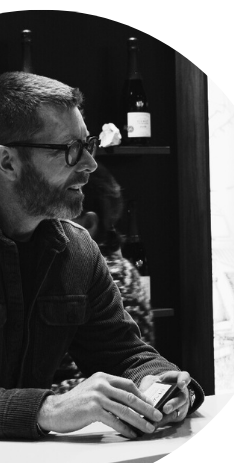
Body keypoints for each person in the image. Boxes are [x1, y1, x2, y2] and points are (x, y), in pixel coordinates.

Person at [0, 71, 203, 441]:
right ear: (7, 162)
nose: (90, 164)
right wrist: (47, 409)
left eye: (88, 144)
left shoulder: (78, 250)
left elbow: (125, 354)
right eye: (70, 150)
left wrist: (164, 384)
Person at [52, 164, 155, 394]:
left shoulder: (92, 272)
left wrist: (38, 403)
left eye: (55, 214)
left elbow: (109, 370)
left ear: (88, 224)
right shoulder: (126, 269)